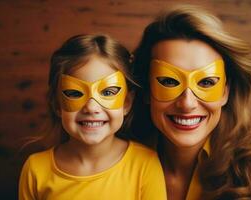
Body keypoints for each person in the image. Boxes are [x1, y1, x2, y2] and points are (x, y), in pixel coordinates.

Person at [131, 5, 251, 200]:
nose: (187, 103)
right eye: (169, 81)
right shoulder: (110, 157)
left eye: (206, 82)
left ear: (225, 90)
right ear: (146, 89)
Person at [18, 34, 167, 200]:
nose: (91, 107)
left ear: (126, 103)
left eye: (108, 93)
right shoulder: (36, 169)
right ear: (57, 105)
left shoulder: (146, 164)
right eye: (74, 93)